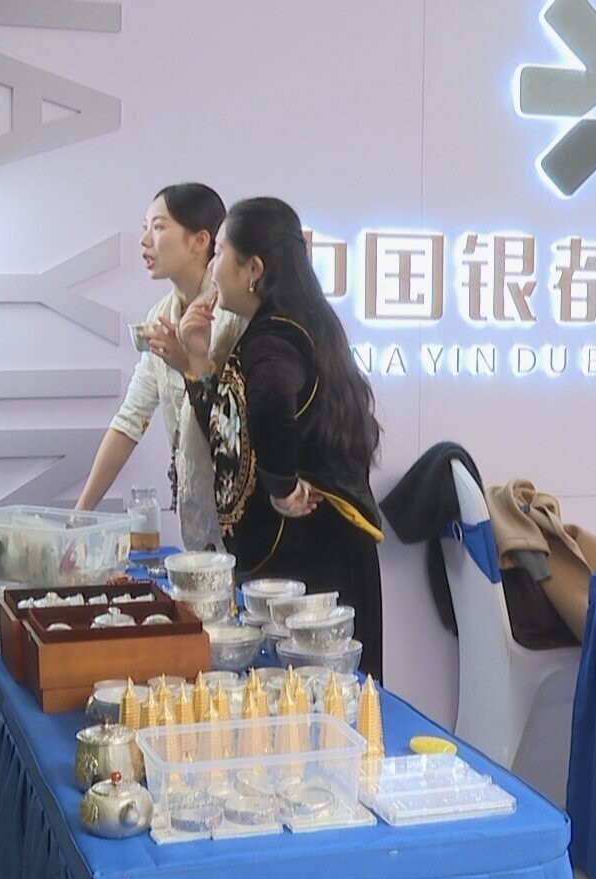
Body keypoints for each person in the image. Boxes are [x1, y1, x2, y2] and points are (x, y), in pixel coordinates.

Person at [158, 196, 386, 679]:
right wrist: (196, 360)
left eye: (221, 253)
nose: (212, 267)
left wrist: (281, 486)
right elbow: (233, 428)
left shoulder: (275, 338)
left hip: (309, 560)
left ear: (254, 269)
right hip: (315, 553)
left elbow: (268, 403)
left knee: (316, 696)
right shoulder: (295, 324)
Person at [73, 184, 245, 552]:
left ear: (200, 241)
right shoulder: (161, 315)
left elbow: (239, 421)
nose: (144, 241)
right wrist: (81, 515)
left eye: (158, 227)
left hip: (244, 517)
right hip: (196, 514)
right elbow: (130, 420)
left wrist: (189, 362)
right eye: (144, 227)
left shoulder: (232, 313)